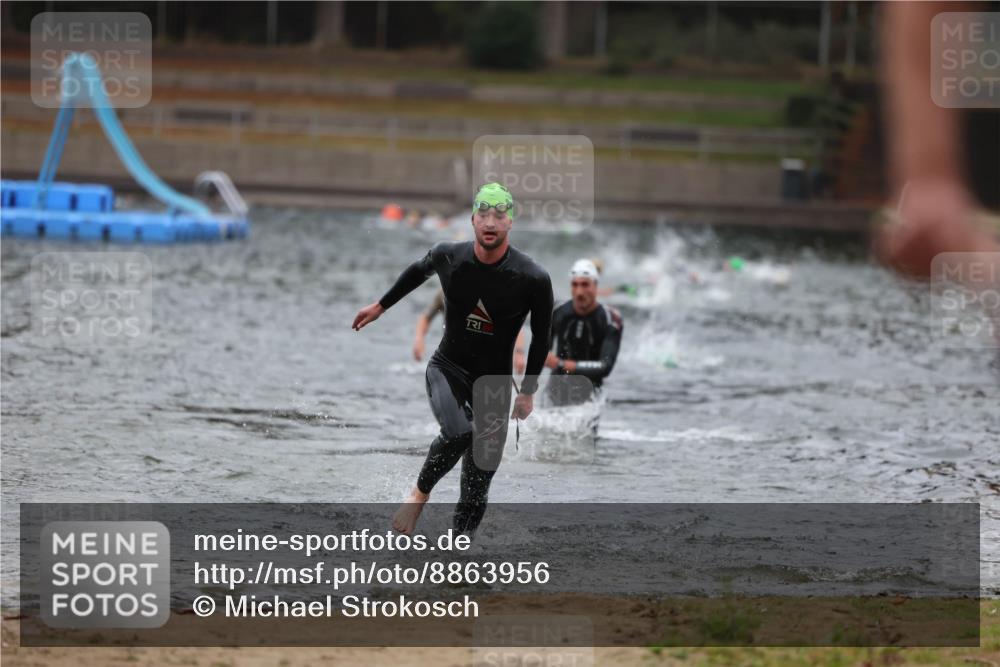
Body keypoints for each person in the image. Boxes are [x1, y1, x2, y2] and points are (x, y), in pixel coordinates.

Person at [353, 182, 553, 536]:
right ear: (473, 219)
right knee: (459, 431)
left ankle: (456, 558)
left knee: (477, 486)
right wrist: (380, 307)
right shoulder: (449, 255)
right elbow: (417, 271)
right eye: (484, 214)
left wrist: (528, 391)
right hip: (448, 368)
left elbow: (541, 335)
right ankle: (418, 496)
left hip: (494, 385)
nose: (491, 222)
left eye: (500, 215)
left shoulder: (533, 277)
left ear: (510, 223)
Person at [544, 258, 624, 408]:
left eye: (585, 284)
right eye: (575, 285)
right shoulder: (557, 310)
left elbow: (605, 367)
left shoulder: (611, 319)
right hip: (555, 390)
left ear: (595, 285)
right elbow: (543, 351)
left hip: (589, 399)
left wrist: (561, 364)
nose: (579, 291)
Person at [413, 288, 528, 375]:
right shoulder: (447, 290)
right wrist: (419, 339)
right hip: (453, 357)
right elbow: (426, 317)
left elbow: (514, 325)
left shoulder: (493, 292)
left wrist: (519, 352)